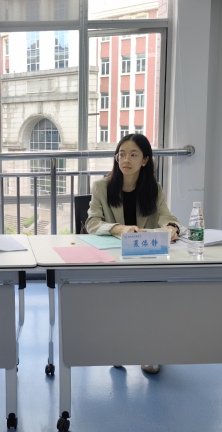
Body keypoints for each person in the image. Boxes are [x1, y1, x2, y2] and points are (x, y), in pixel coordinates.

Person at [85, 133, 183, 376]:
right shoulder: (102, 187)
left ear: (145, 160)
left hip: (147, 258)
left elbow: (168, 218)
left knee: (153, 301)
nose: (126, 160)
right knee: (121, 303)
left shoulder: (154, 189)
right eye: (121, 154)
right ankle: (120, 347)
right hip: (115, 258)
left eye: (133, 155)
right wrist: (120, 228)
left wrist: (172, 229)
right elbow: (92, 223)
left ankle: (150, 350)